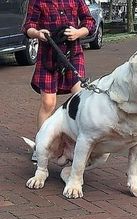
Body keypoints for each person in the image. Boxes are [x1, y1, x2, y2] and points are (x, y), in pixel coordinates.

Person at [22, 0, 95, 161]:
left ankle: (80, 145)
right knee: (48, 103)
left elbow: (89, 21)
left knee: (80, 98)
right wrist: (37, 33)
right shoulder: (37, 1)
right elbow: (28, 26)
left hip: (73, 54)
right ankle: (41, 147)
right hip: (49, 56)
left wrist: (78, 32)